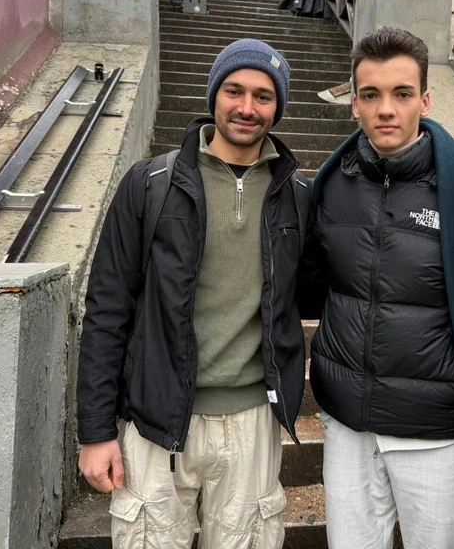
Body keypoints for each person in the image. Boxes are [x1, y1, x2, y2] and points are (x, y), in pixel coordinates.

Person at [76, 39, 309, 549]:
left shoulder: (296, 197)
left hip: (252, 420)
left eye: (264, 96)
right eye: (234, 90)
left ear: (278, 107)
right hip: (155, 420)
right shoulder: (149, 183)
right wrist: (95, 431)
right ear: (213, 95)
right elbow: (108, 310)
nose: (247, 107)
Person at [296, 27, 454, 549]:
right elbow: (312, 285)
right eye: (371, 95)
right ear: (354, 103)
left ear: (425, 101)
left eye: (402, 93)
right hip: (348, 427)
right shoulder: (332, 183)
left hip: (437, 435)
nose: (386, 109)